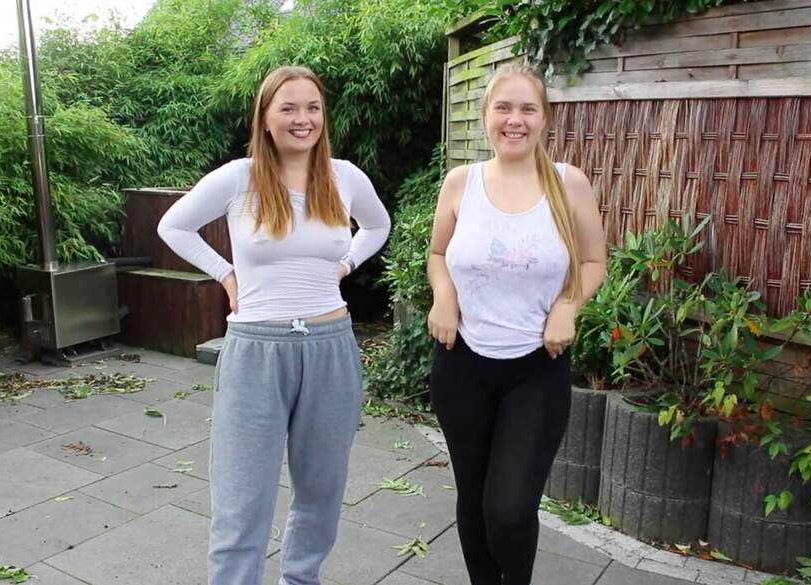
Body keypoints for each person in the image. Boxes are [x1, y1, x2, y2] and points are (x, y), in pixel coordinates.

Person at [157, 65, 390, 585]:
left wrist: (346, 264)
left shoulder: (345, 177)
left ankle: (300, 579)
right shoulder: (238, 178)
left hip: (331, 349)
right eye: (288, 108)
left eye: (312, 107)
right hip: (256, 351)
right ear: (265, 117)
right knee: (241, 498)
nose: (302, 119)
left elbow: (378, 225)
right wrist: (226, 274)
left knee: (321, 492)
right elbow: (173, 225)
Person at [426, 62, 607, 585]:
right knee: (473, 498)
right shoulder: (460, 183)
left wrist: (568, 305)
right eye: (503, 107)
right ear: (486, 115)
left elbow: (593, 260)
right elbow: (437, 253)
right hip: (460, 365)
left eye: (527, 109)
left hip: (537, 369)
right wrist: (443, 295)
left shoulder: (568, 184)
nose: (515, 119)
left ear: (545, 118)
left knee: (508, 508)